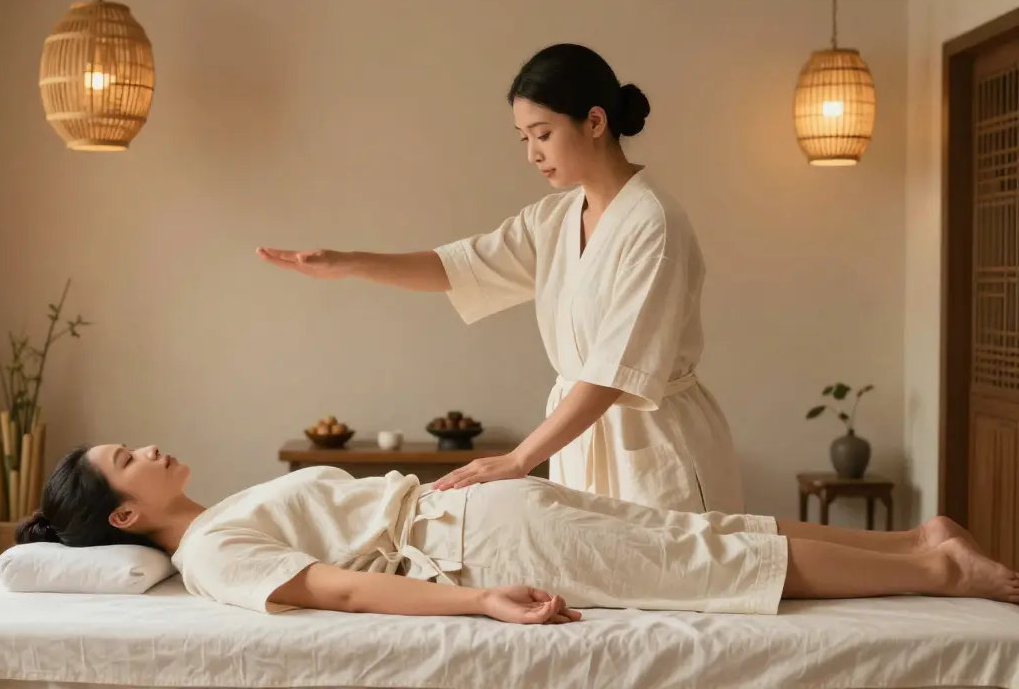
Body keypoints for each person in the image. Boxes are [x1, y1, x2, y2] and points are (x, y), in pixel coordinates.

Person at [255, 43, 742, 514]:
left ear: (595, 122)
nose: (532, 153)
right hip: (578, 439)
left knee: (675, 564)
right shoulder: (555, 218)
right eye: (523, 138)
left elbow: (612, 374)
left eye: (542, 134)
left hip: (653, 448)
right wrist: (349, 262)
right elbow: (460, 267)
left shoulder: (653, 223)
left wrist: (519, 459)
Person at [16, 443, 1019, 625]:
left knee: (701, 546)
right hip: (484, 540)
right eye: (126, 457)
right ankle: (926, 554)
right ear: (124, 516)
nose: (148, 446)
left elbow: (341, 574)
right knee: (699, 542)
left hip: (481, 517)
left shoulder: (222, 515)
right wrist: (476, 601)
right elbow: (337, 588)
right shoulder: (211, 554)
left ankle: (925, 557)